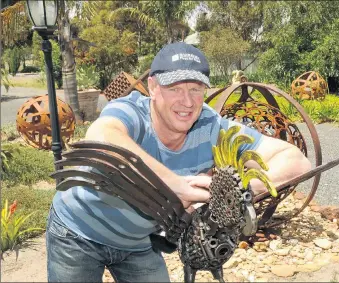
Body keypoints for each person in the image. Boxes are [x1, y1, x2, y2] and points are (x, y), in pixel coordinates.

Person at [46, 42, 311, 282]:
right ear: (153, 87)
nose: (187, 101)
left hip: (139, 243)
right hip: (77, 232)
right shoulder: (132, 112)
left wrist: (233, 193)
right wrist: (176, 185)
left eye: (196, 89)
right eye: (175, 88)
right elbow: (101, 138)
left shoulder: (211, 127)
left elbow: (295, 162)